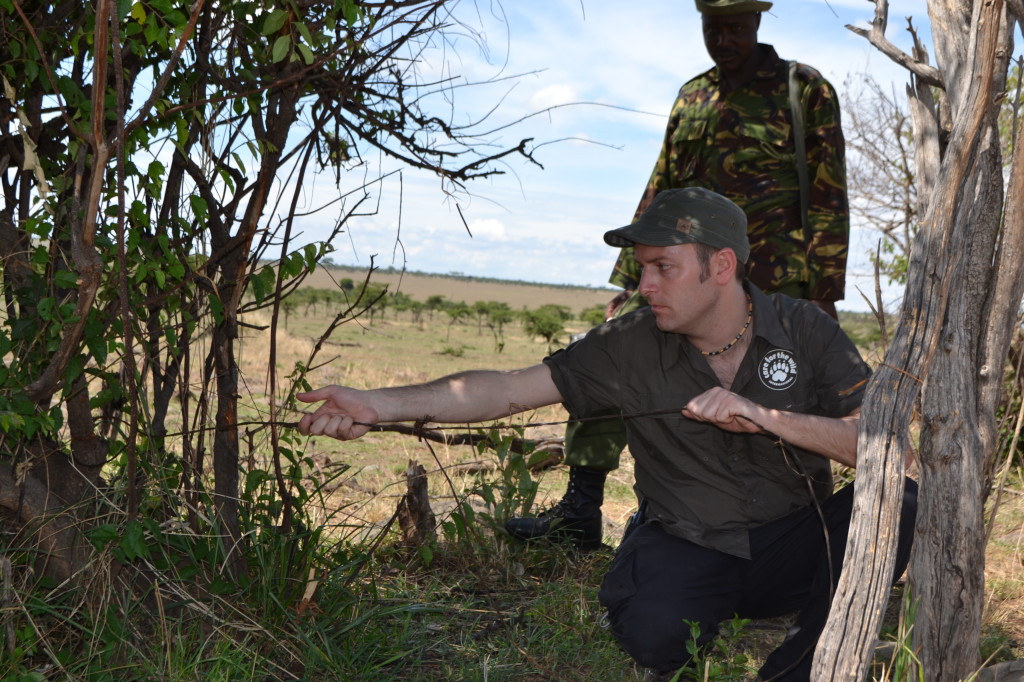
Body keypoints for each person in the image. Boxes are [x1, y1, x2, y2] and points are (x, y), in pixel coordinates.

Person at [298, 188, 916, 681]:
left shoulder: (804, 329)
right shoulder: (627, 343)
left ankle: (801, 668)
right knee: (650, 635)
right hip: (693, 541)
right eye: (643, 268)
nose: (645, 285)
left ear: (720, 266)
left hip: (792, 541)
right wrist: (375, 404)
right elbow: (505, 388)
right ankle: (657, 577)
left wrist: (765, 416)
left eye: (663, 268)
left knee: (904, 501)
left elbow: (889, 450)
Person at [505, 0, 851, 549]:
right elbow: (662, 182)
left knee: (784, 400)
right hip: (680, 271)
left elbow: (830, 191)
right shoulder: (693, 95)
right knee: (613, 355)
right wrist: (628, 278)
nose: (724, 39)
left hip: (775, 277)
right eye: (714, 28)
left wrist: (825, 292)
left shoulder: (802, 88)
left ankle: (802, 532)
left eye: (735, 27)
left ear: (758, 22)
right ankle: (582, 507)